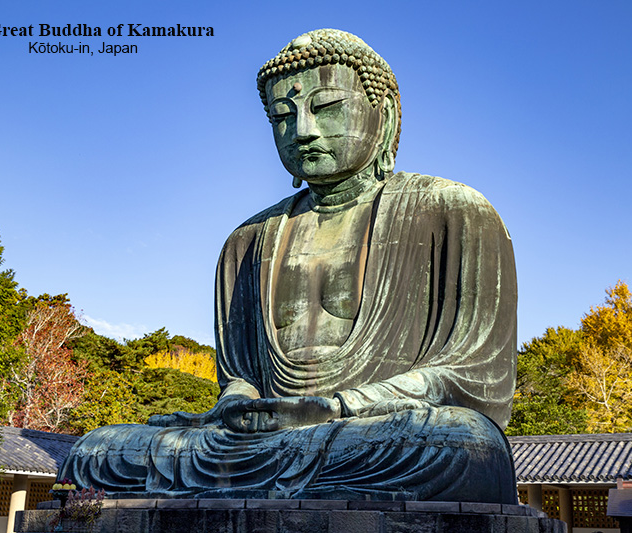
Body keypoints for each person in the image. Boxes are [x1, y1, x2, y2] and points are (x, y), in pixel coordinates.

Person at [58, 29, 518, 503]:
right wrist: (238, 406)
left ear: (384, 114)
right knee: (96, 453)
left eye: (325, 107)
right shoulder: (247, 240)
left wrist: (338, 407)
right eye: (282, 116)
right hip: (264, 439)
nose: (302, 131)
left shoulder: (451, 210)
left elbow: (473, 374)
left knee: (463, 445)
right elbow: (241, 376)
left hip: (377, 429)